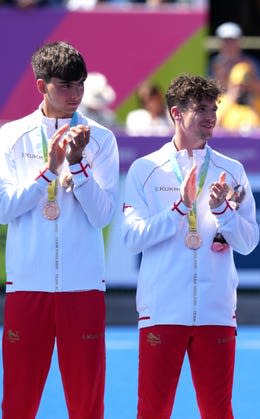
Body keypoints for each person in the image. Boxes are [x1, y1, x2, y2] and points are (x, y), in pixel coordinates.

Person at [122, 74, 259, 418]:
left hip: (216, 310)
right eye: (200, 108)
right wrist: (180, 208)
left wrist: (222, 212)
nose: (210, 115)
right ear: (176, 113)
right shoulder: (146, 169)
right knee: (153, 411)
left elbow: (248, 244)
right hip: (162, 310)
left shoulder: (232, 170)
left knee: (217, 411)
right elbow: (132, 238)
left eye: (213, 108)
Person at [0, 41, 120, 419]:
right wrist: (49, 172)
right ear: (41, 86)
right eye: (65, 86)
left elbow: (102, 216)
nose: (75, 95)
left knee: (87, 404)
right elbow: (4, 209)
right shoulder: (11, 136)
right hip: (27, 285)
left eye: (80, 85)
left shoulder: (100, 138)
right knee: (19, 401)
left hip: (82, 286)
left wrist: (79, 167)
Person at [217, 61, 260, 131]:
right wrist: (231, 100)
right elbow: (214, 126)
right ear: (230, 84)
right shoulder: (222, 102)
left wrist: (253, 105)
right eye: (237, 86)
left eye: (245, 86)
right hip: (228, 141)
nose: (241, 89)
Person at [209, 21, 260, 91]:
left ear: (239, 41)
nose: (229, 44)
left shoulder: (251, 62)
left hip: (246, 101)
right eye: (225, 40)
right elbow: (208, 91)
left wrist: (249, 78)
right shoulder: (214, 63)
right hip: (221, 101)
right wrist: (220, 75)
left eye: (232, 40)